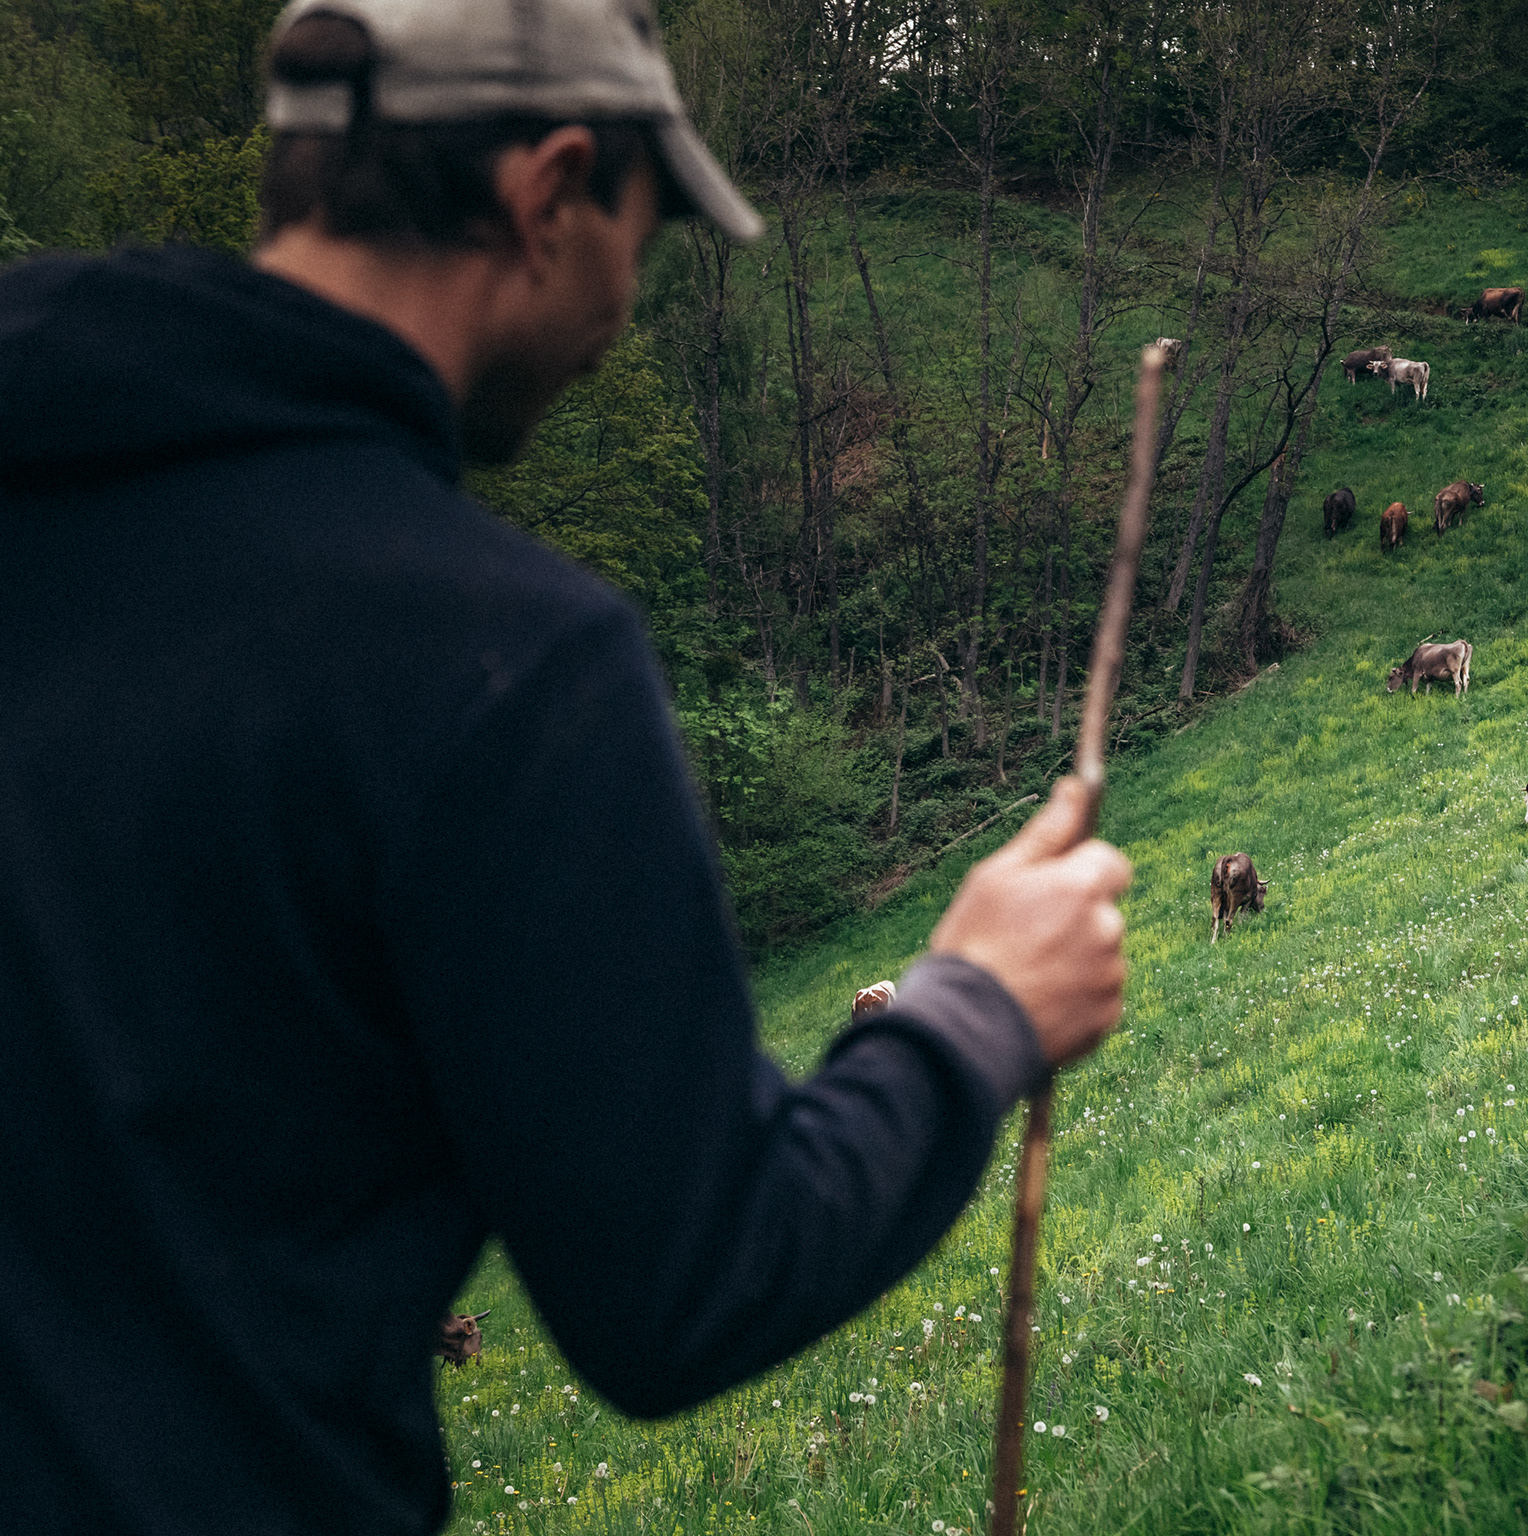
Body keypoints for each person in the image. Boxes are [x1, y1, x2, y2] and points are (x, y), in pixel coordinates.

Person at [0, 1, 1131, 1531]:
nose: (623, 317)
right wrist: (979, 1012)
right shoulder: (493, 657)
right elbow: (688, 1283)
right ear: (549, 193)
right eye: (643, 243)